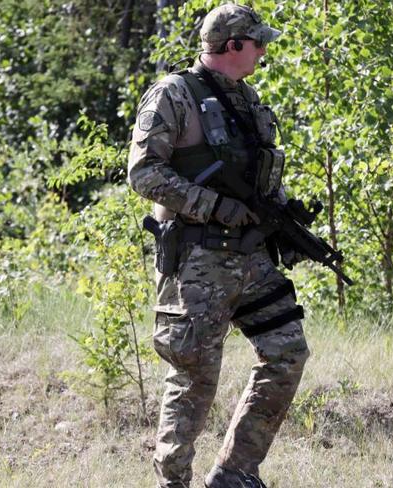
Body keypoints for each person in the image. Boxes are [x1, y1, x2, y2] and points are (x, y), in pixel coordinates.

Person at [127, 4, 309, 487]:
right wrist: (212, 205)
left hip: (249, 256)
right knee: (194, 378)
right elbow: (144, 174)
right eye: (256, 43)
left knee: (287, 351)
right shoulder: (175, 95)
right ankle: (173, 482)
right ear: (232, 46)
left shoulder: (247, 100)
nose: (263, 51)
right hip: (198, 261)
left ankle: (235, 474)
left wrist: (286, 223)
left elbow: (259, 180)